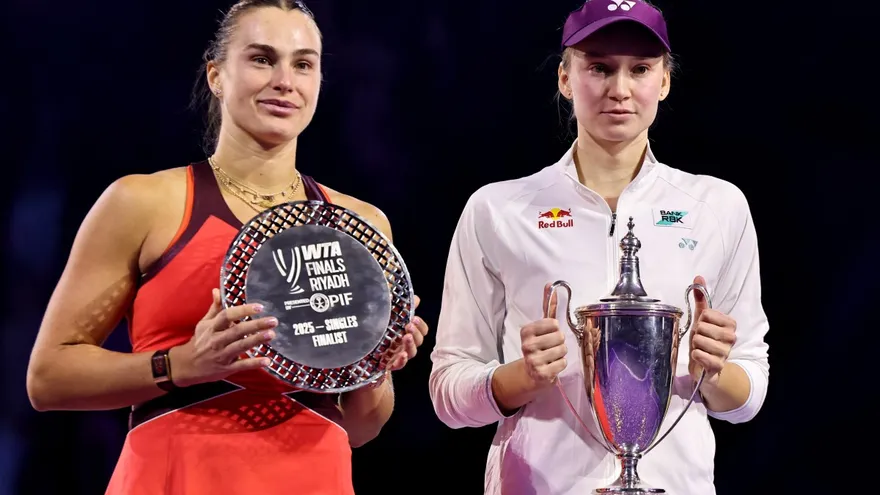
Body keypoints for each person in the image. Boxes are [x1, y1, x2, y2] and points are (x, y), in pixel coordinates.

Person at [25, 1, 430, 494]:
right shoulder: (144, 202)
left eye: (303, 64)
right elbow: (48, 379)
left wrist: (377, 364)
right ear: (217, 75)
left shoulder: (362, 224)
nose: (285, 80)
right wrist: (183, 365)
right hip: (177, 471)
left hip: (312, 474)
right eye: (262, 59)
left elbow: (362, 428)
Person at [428, 1, 769, 494]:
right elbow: (448, 393)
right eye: (599, 68)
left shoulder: (718, 206)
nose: (620, 90)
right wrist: (520, 378)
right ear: (565, 78)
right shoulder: (498, 209)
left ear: (665, 82)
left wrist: (711, 373)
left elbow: (749, 393)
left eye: (641, 70)